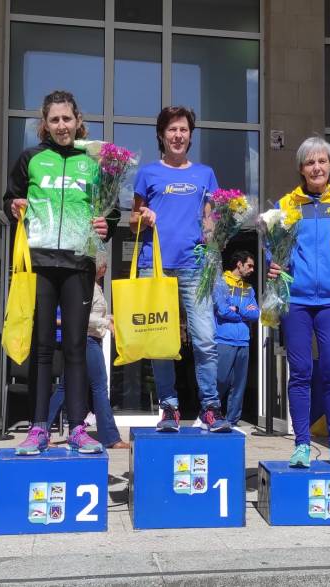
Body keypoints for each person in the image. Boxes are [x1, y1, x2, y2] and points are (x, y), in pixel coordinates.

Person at [3, 90, 117, 455]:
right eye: (54, 120)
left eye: (67, 119)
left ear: (77, 120)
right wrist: (14, 206)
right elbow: (11, 198)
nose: (62, 126)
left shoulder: (92, 162)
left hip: (78, 264)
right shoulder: (31, 158)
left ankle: (79, 428)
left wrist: (107, 225)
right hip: (40, 263)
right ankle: (38, 427)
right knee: (41, 347)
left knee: (75, 347)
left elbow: (110, 209)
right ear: (45, 124)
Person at [130, 106, 230, 433]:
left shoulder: (205, 173)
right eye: (172, 129)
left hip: (195, 267)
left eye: (183, 130)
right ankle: (169, 408)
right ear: (161, 135)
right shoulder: (147, 174)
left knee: (204, 338)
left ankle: (211, 408)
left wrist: (217, 232)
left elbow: (210, 219)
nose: (178, 135)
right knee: (161, 342)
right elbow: (133, 223)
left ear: (190, 135)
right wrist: (142, 218)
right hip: (155, 265)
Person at [267, 136, 330, 469]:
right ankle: (302, 444)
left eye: (322, 161)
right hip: (297, 300)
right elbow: (274, 248)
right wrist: (273, 262)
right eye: (310, 162)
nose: (317, 167)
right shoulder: (286, 205)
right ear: (301, 168)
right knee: (301, 372)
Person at [47, 254, 129, 449]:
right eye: (104, 265)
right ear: (97, 267)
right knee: (100, 387)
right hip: (87, 340)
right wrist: (106, 323)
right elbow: (81, 316)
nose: (106, 268)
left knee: (65, 387)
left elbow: (93, 314)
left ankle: (42, 429)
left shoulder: (94, 287)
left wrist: (111, 317)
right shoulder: (87, 287)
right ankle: (111, 437)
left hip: (84, 340)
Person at [213, 251, 259, 428]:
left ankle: (232, 420)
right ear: (239, 264)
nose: (252, 269)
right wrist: (243, 311)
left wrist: (237, 309)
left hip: (243, 341)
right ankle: (211, 415)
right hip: (224, 339)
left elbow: (255, 314)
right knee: (221, 380)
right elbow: (223, 310)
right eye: (249, 265)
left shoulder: (249, 288)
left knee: (239, 385)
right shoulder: (220, 283)